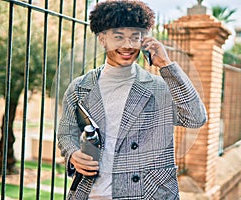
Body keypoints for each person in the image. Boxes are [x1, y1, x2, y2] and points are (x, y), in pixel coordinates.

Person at [57, 0, 207, 199]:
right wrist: (73, 154)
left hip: (148, 194)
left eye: (134, 37)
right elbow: (66, 134)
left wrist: (166, 65)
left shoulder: (160, 87)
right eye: (118, 37)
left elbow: (196, 118)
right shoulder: (80, 87)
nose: (127, 45)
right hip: (92, 193)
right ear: (103, 39)